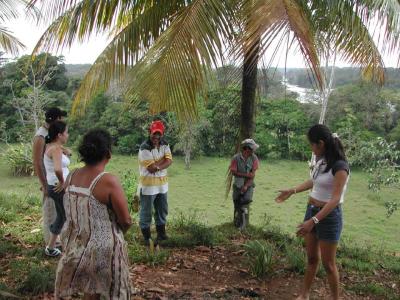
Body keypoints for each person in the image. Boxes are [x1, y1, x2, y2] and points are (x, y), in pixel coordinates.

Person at [55, 129, 132, 300]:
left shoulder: (72, 176)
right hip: (103, 250)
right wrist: (119, 233)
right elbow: (126, 220)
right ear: (108, 154)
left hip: (76, 247)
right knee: (111, 292)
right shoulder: (108, 181)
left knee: (91, 291)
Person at [275, 124, 350, 300]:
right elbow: (313, 181)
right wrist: (292, 191)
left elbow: (335, 199)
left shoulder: (340, 167)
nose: (311, 148)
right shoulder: (322, 160)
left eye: (312, 144)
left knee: (329, 264)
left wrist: (313, 221)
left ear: (321, 143)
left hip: (328, 217)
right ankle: (304, 295)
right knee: (311, 259)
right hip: (312, 211)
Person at [32, 107, 67, 244]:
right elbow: (37, 162)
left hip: (55, 181)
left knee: (59, 212)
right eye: (61, 118)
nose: (62, 120)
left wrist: (65, 150)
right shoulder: (40, 136)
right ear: (56, 119)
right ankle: (50, 243)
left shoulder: (50, 134)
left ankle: (58, 241)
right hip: (50, 182)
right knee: (50, 212)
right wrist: (44, 185)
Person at [138, 120, 172, 245]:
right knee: (146, 212)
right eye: (154, 134)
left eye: (159, 134)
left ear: (162, 134)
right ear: (149, 132)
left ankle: (161, 235)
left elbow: (170, 161)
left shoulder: (165, 144)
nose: (156, 137)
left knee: (162, 210)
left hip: (163, 185)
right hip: (148, 186)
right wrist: (161, 164)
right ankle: (147, 238)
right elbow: (151, 168)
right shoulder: (144, 148)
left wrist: (156, 165)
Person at [43, 120, 70, 257]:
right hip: (58, 187)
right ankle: (70, 246)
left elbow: (57, 156)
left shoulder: (51, 146)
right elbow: (58, 169)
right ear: (59, 135)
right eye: (66, 132)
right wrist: (62, 182)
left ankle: (51, 247)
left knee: (62, 215)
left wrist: (66, 151)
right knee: (69, 216)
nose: (68, 135)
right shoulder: (56, 149)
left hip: (52, 186)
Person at [229, 139, 259, 230]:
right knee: (237, 203)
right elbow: (233, 171)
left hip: (249, 185)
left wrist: (246, 186)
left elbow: (252, 175)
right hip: (238, 185)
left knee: (246, 201)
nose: (253, 151)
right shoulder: (236, 158)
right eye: (252, 148)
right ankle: (236, 223)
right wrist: (245, 175)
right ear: (247, 148)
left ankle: (244, 225)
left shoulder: (254, 158)